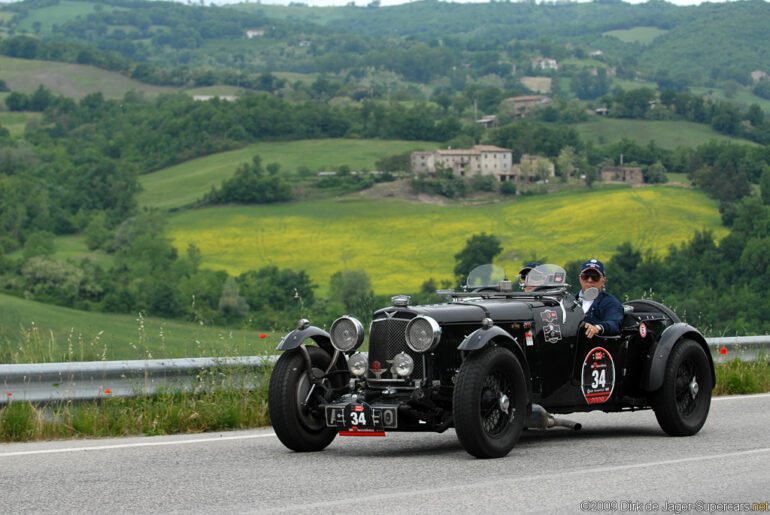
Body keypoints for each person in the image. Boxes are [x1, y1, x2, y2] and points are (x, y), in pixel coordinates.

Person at [577, 259, 624, 338]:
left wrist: (597, 328)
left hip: (594, 343)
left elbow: (614, 323)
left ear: (603, 280)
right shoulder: (570, 300)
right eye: (585, 276)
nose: (589, 280)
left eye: (595, 277)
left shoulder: (610, 302)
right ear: (580, 278)